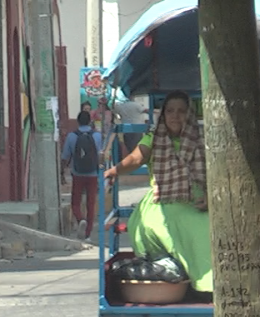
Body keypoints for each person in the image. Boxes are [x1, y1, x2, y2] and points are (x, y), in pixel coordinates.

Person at [104, 90, 212, 294]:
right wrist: (114, 170)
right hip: (162, 200)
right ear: (162, 115)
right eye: (170, 111)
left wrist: (208, 197)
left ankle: (209, 287)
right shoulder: (153, 138)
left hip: (196, 200)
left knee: (206, 230)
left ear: (189, 114)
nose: (175, 116)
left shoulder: (200, 139)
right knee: (157, 226)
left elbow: (213, 174)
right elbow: (136, 159)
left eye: (181, 111)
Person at [61, 111, 103, 241]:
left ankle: (80, 220)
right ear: (90, 121)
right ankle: (88, 234)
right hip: (93, 174)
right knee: (91, 203)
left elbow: (65, 156)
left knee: (75, 202)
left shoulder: (71, 136)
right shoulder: (97, 136)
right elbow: (100, 155)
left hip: (77, 173)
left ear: (77, 121)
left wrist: (62, 171)